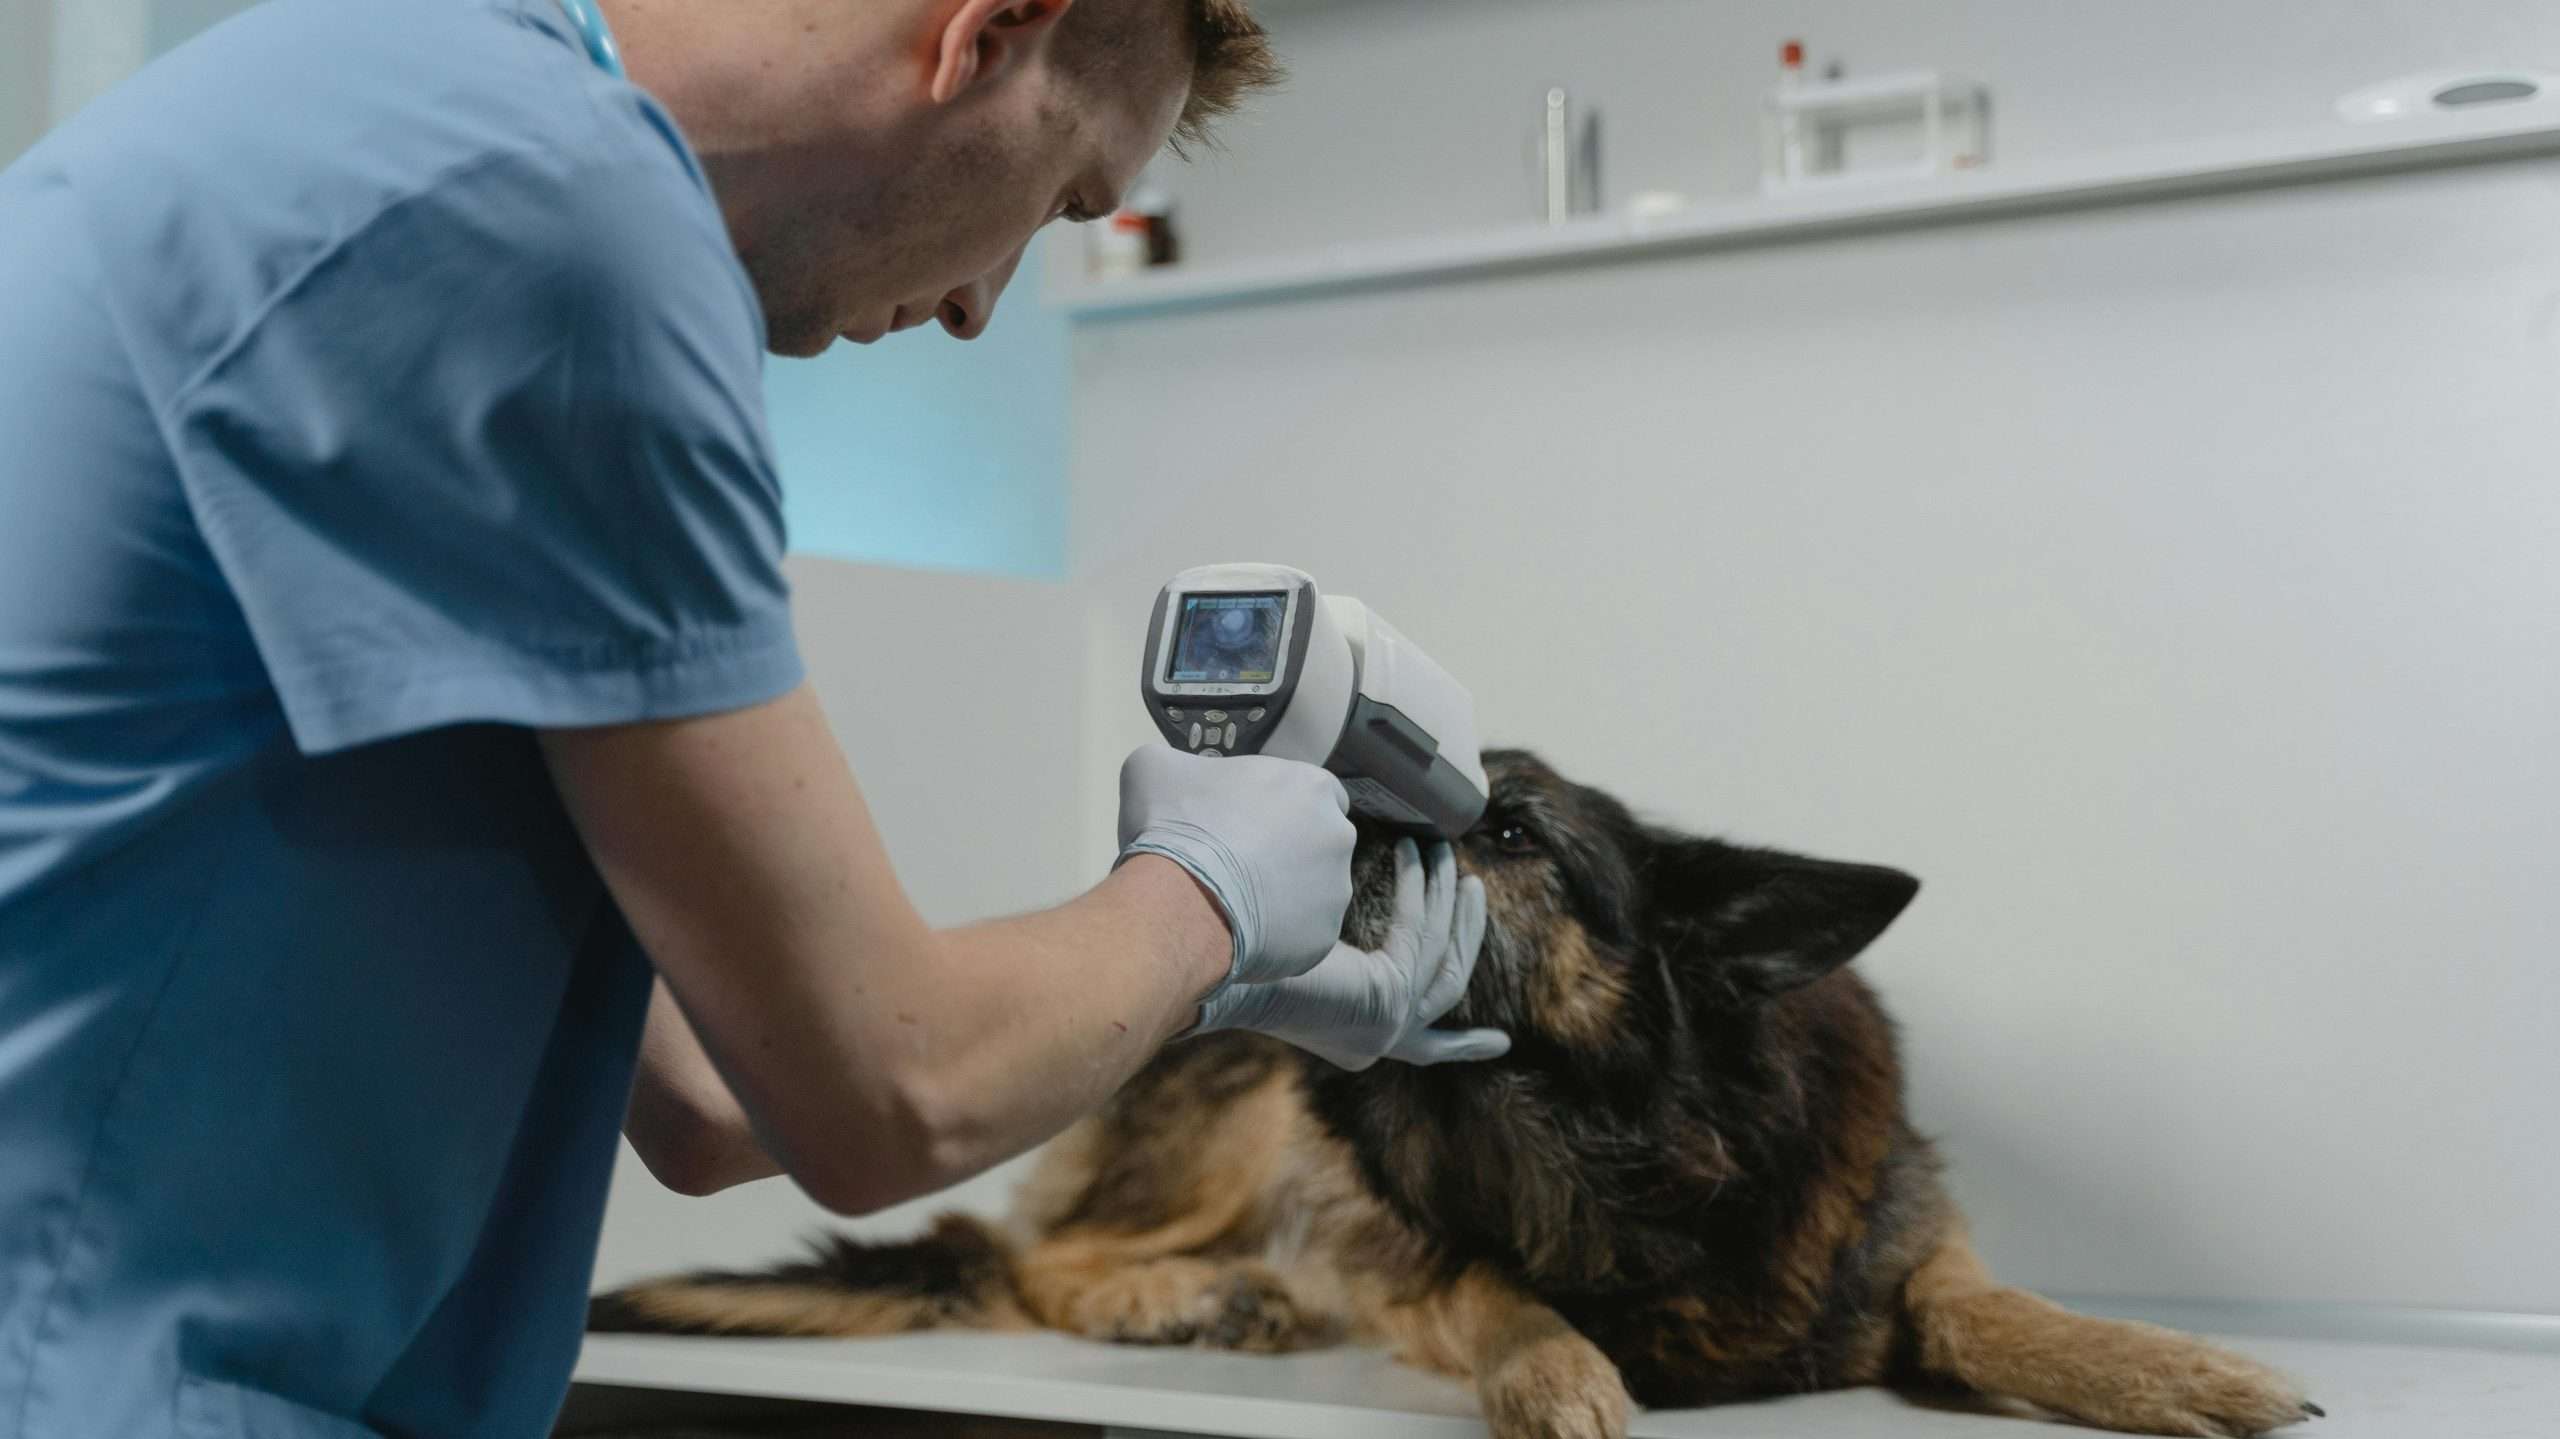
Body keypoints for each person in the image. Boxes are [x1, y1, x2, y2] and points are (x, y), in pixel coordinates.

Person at [0, 1, 1507, 1434]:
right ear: (987, 30)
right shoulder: (553, 218)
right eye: (1061, 201)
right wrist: (1205, 901)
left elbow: (720, 1096)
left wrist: (1203, 990)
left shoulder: (383, 105)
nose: (987, 309)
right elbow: (888, 1094)